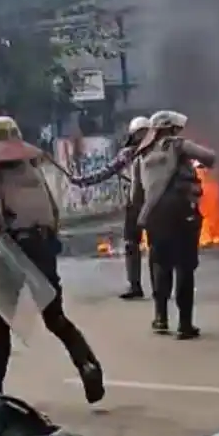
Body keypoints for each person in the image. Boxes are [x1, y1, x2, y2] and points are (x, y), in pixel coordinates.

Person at [0, 116, 104, 403]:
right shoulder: (32, 169)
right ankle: (87, 364)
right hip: (44, 246)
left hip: (14, 251)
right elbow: (53, 211)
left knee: (1, 322)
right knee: (54, 316)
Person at [131, 110, 215, 338]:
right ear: (170, 129)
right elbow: (210, 157)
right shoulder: (178, 145)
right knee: (185, 267)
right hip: (181, 213)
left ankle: (160, 318)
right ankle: (185, 325)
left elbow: (135, 197)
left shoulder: (142, 156)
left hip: (155, 217)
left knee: (161, 265)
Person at [69, 116, 151, 299]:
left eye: (146, 132)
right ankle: (135, 285)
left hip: (155, 201)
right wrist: (84, 181)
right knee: (132, 244)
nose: (144, 136)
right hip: (135, 202)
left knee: (158, 246)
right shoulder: (128, 154)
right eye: (140, 133)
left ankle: (161, 286)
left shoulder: (159, 150)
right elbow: (107, 171)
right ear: (133, 135)